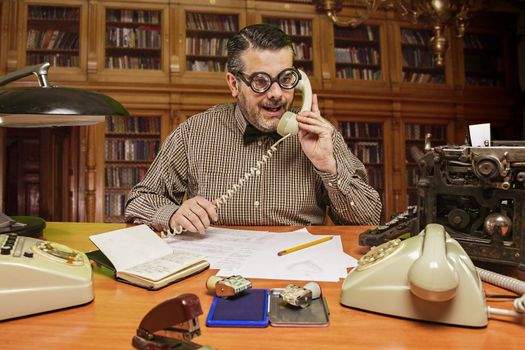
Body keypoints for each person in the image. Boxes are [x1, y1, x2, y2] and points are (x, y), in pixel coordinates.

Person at [125, 23, 382, 234]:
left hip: (298, 269)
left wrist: (329, 168)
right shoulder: (193, 132)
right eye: (260, 81)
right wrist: (173, 214)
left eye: (286, 79)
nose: (277, 94)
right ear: (234, 84)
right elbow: (139, 202)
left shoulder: (321, 135)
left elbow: (369, 220)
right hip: (217, 271)